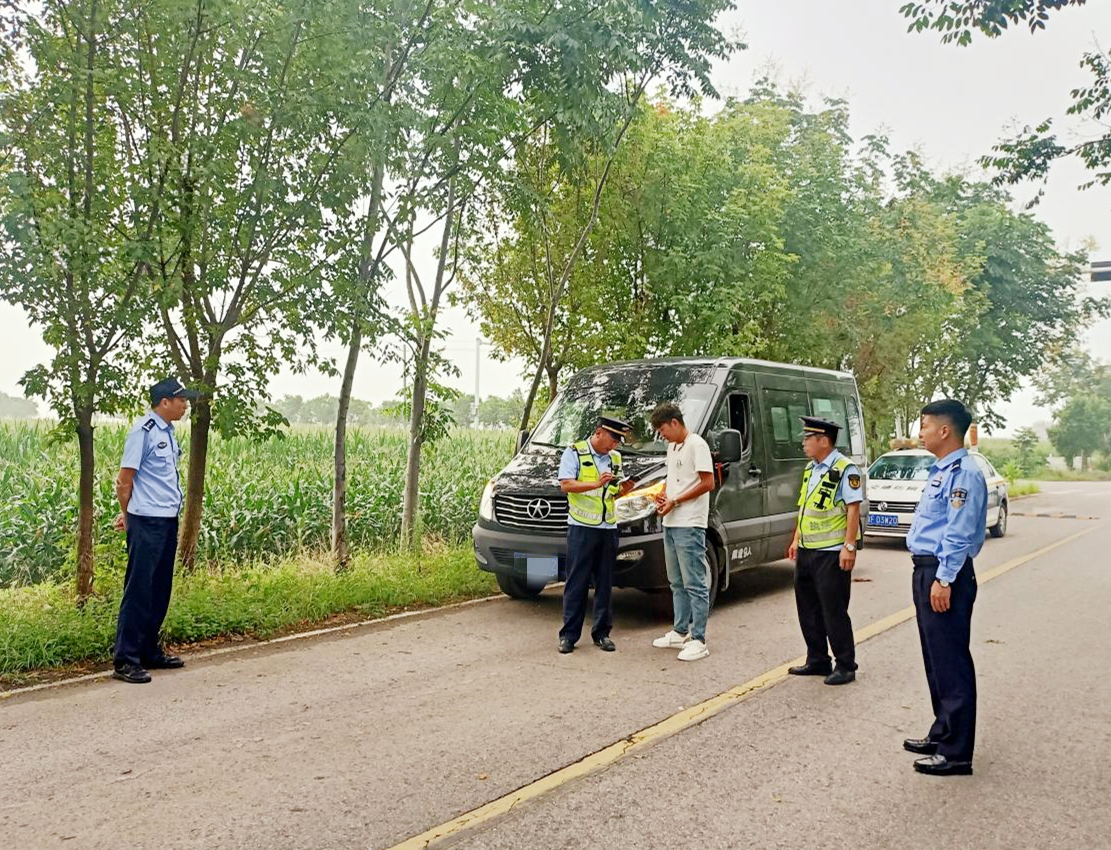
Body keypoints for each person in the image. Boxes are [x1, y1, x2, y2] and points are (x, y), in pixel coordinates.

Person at [903, 399, 987, 776]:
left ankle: (956, 753)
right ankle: (943, 731)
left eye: (923, 425)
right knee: (935, 660)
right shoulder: (941, 470)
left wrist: (944, 578)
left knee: (951, 662)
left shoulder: (964, 474)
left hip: (943, 574)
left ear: (944, 431)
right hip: (927, 570)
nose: (919, 433)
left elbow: (958, 533)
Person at [112, 377, 198, 683]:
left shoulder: (169, 433)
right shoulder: (143, 432)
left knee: (160, 588)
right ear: (164, 402)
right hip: (146, 520)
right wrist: (128, 515)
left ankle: (149, 650)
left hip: (165, 519)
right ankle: (126, 659)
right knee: (139, 589)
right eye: (181, 400)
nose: (186, 404)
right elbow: (125, 480)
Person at [786, 416, 863, 686]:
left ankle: (845, 664)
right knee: (807, 608)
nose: (804, 442)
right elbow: (804, 507)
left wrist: (849, 546)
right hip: (808, 550)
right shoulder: (811, 468)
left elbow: (853, 509)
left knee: (833, 610)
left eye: (808, 438)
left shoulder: (845, 469)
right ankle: (818, 659)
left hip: (832, 552)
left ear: (823, 441)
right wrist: (797, 539)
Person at [557, 416, 635, 654]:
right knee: (577, 582)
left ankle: (602, 633)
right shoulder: (575, 452)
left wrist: (623, 488)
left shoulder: (615, 458)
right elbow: (566, 485)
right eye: (613, 439)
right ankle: (569, 636)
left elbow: (612, 491)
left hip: (608, 527)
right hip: (581, 526)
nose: (615, 445)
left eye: (618, 441)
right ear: (599, 432)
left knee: (604, 583)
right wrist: (595, 484)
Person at [649, 402, 716, 662]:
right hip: (671, 521)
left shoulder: (697, 445)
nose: (661, 434)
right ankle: (680, 630)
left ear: (675, 423)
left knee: (695, 582)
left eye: (663, 429)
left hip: (690, 522)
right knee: (676, 581)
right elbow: (673, 476)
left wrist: (676, 501)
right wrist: (665, 494)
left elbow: (707, 482)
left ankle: (698, 638)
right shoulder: (673, 447)